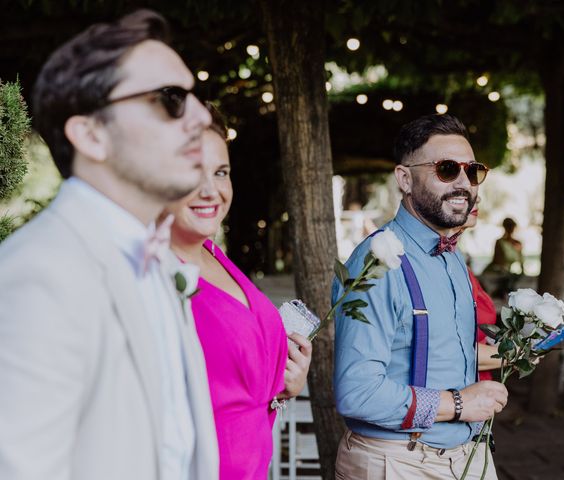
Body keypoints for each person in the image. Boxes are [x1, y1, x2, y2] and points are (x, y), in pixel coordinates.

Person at [0, 10, 219, 480]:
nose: (201, 116)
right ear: (91, 134)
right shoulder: (38, 274)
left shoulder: (158, 261)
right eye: (170, 99)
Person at [333, 114, 508, 479]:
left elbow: (436, 348)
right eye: (447, 169)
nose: (464, 183)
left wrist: (510, 355)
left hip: (467, 456)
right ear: (405, 178)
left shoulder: (452, 255)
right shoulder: (376, 262)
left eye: (472, 171)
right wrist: (459, 404)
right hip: (398, 461)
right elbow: (357, 392)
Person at [164, 105, 312, 479]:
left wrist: (282, 382)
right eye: (192, 172)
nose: (210, 190)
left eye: (220, 172)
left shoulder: (212, 253)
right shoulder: (150, 272)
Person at [458, 199, 500, 381]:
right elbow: (451, 352)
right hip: (459, 395)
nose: (477, 199)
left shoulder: (457, 262)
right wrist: (518, 354)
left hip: (480, 388)